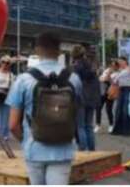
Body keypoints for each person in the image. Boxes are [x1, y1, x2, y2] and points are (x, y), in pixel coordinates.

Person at [7, 32, 82, 185]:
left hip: (34, 148)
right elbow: (76, 113)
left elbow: (13, 125)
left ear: (36, 51)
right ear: (59, 51)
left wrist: (25, 141)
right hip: (63, 149)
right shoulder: (73, 78)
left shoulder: (23, 79)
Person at [71, 45, 101, 151]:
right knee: (89, 125)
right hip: (92, 98)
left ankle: (82, 149)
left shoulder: (76, 67)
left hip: (81, 98)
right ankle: (92, 149)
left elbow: (75, 83)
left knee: (80, 126)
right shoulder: (91, 65)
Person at [111, 56, 130, 136]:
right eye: (119, 62)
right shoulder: (120, 70)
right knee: (118, 109)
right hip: (121, 89)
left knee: (126, 110)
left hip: (129, 89)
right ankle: (118, 130)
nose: (120, 63)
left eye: (121, 61)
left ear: (125, 61)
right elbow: (115, 80)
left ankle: (128, 131)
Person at [95, 60, 119, 133]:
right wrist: (105, 76)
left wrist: (108, 76)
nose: (112, 67)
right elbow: (101, 79)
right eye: (111, 65)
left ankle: (111, 125)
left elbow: (111, 81)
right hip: (102, 92)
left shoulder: (118, 73)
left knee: (108, 109)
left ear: (117, 67)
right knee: (98, 108)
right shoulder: (107, 70)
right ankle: (98, 125)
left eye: (114, 66)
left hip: (110, 92)